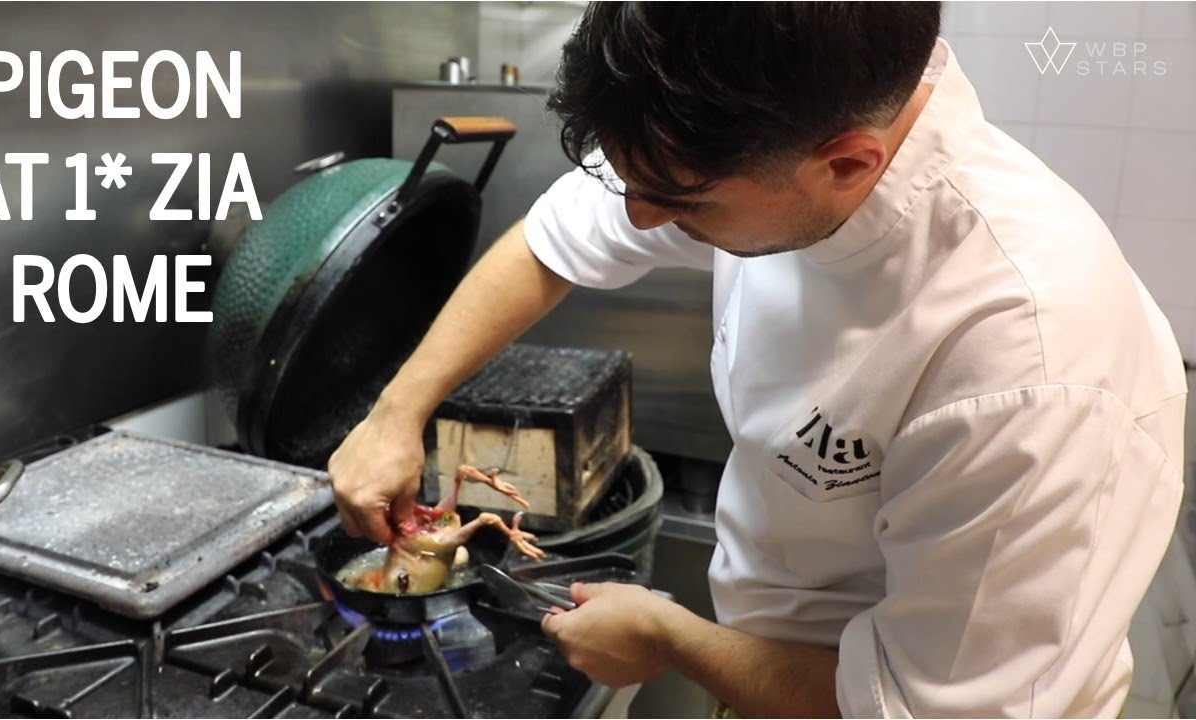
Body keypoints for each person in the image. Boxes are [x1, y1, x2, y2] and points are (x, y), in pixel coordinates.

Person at [330, 3, 1187, 716]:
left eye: (675, 204)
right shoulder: (752, 125)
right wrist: (397, 412)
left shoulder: (1024, 361)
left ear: (848, 164)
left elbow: (923, 709)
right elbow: (551, 245)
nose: (635, 218)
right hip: (764, 666)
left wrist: (672, 640)